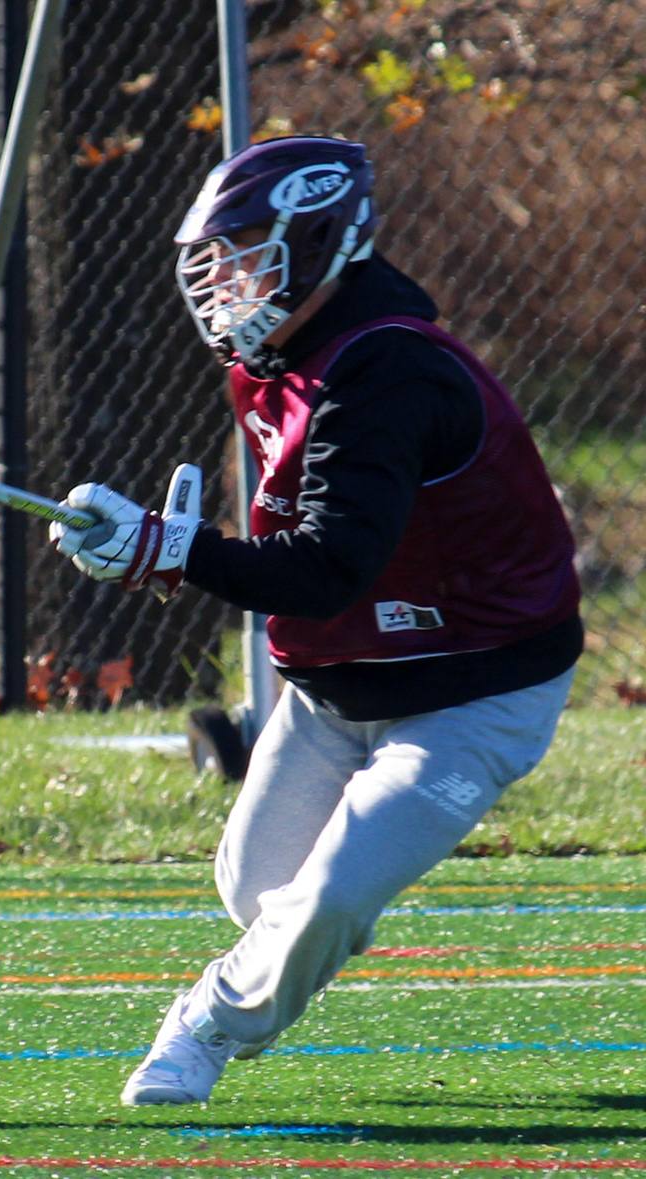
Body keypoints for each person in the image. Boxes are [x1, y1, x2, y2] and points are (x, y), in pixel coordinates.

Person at [46, 136, 581, 1106]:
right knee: (260, 894)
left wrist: (178, 550)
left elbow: (328, 568)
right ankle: (316, 924)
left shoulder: (388, 370)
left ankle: (202, 1028)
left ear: (323, 244)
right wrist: (163, 551)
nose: (225, 280)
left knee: (324, 899)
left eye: (247, 252)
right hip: (335, 685)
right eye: (217, 257)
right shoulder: (280, 353)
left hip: (475, 685)